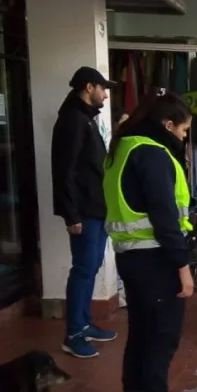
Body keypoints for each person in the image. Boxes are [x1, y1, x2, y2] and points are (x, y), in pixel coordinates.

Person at [102, 91, 197, 392]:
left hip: (131, 258)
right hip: (155, 259)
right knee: (160, 339)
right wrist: (182, 266)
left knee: (141, 335)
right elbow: (164, 217)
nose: (184, 138)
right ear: (168, 125)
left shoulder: (121, 149)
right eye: (184, 130)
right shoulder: (152, 154)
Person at [51, 67, 119, 358]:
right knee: (83, 268)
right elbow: (63, 170)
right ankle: (74, 334)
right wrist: (72, 215)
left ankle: (85, 323)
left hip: (97, 208)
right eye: (103, 88)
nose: (105, 94)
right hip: (85, 212)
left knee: (91, 267)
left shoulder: (85, 118)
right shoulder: (73, 120)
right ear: (89, 87)